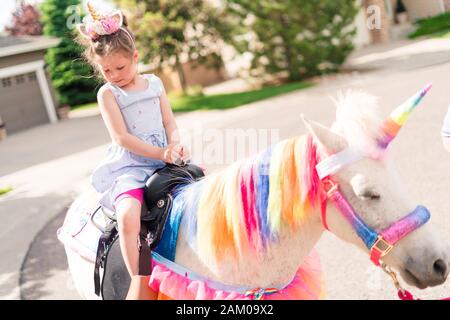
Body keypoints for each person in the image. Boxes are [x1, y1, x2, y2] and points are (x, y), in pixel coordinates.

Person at [76, 3, 190, 299]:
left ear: (135, 57)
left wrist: (175, 145)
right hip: (130, 166)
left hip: (163, 160)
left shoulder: (154, 84)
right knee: (128, 216)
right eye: (106, 70)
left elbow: (168, 121)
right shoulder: (109, 94)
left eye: (120, 67)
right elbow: (122, 137)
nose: (114, 75)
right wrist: (161, 153)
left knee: (201, 190)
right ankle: (140, 280)